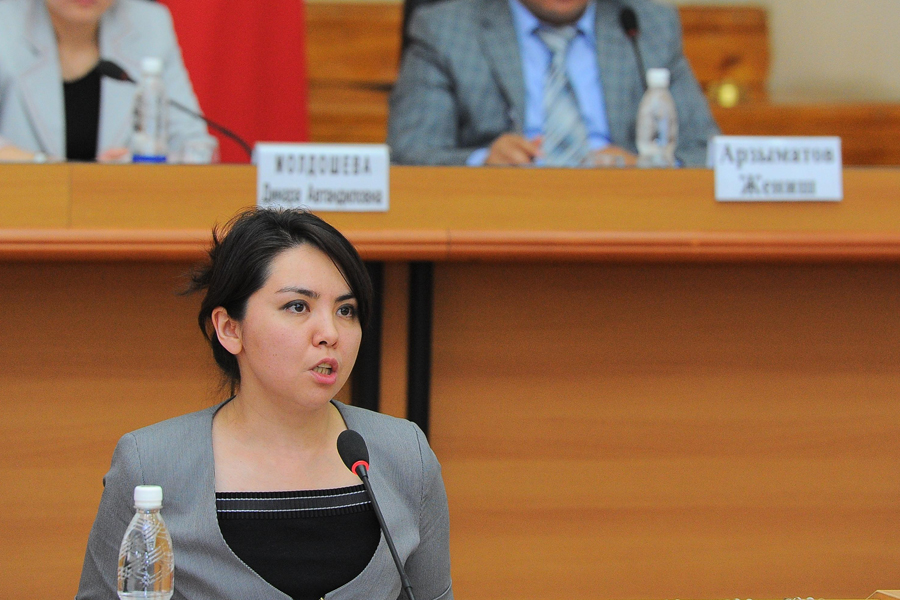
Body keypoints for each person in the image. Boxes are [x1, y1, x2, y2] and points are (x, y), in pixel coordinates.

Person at [75, 209, 453, 600]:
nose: (330, 333)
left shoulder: (405, 453)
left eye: (346, 310)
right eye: (297, 307)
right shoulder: (151, 464)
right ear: (230, 329)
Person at [387, 0, 719, 167]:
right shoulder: (446, 30)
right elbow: (410, 150)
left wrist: (647, 167)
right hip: (501, 218)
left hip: (626, 217)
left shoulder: (647, 24)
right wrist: (483, 160)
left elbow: (707, 151)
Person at [0, 0, 213, 162]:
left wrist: (142, 163)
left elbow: (197, 147)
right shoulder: (6, 23)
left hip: (120, 208)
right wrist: (44, 165)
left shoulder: (150, 24)